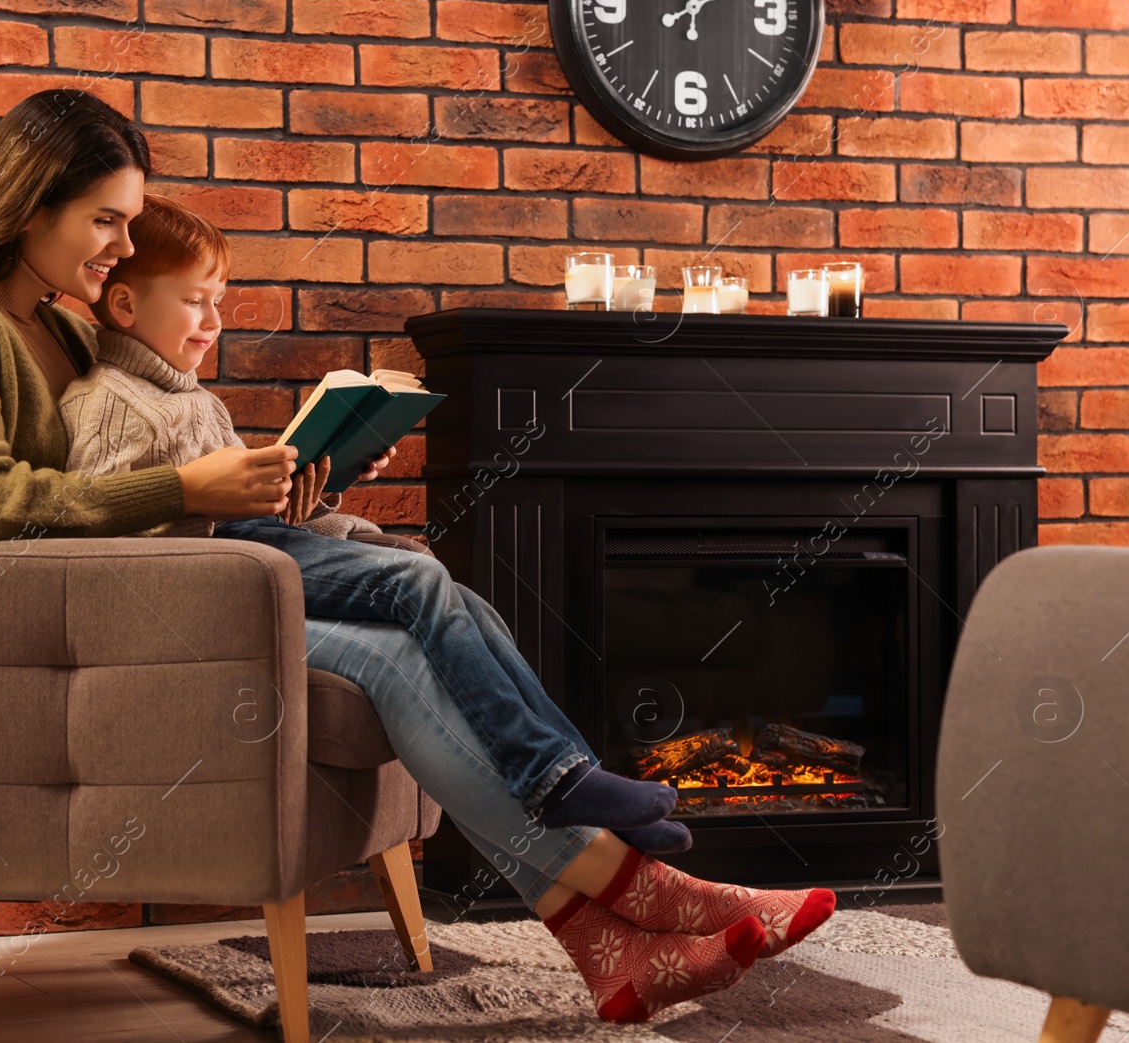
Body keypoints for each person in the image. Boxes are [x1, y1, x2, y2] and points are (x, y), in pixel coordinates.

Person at [0, 88, 834, 1023]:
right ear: (32, 203)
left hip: (139, 583)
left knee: (409, 636)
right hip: (47, 621)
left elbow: (137, 471)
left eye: (125, 223)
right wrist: (193, 490)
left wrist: (283, 484)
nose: (119, 245)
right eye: (104, 219)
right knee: (405, 600)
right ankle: (648, 891)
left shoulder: (61, 324)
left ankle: (604, 935)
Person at [57, 193, 687, 851]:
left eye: (219, 300)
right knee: (417, 581)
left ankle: (582, 786)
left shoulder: (187, 394)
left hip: (251, 545)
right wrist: (216, 506)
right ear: (126, 305)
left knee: (461, 598)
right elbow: (112, 545)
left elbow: (224, 501)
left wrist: (309, 483)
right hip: (217, 575)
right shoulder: (107, 402)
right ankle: (552, 778)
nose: (215, 320)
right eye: (195, 301)